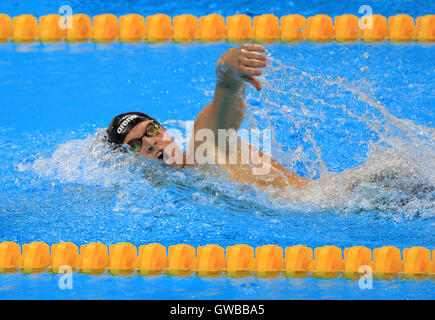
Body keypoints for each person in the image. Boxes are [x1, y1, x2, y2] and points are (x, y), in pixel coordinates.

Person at [106, 44, 309, 190]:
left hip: (320, 202)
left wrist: (228, 67)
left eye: (151, 130)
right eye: (135, 145)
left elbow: (224, 106)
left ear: (164, 128)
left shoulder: (203, 146)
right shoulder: (178, 184)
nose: (150, 143)